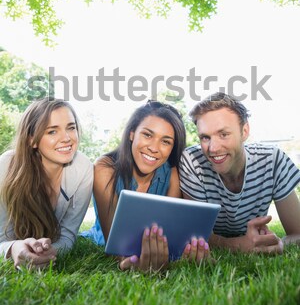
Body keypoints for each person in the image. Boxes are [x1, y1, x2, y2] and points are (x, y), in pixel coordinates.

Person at [82, 100, 210, 271]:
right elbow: (114, 246)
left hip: (152, 243)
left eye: (165, 142)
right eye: (148, 135)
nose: (154, 148)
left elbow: (170, 236)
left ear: (172, 148)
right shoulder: (105, 168)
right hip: (102, 238)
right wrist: (128, 261)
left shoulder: (172, 174)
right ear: (132, 134)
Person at [179, 92, 300, 254]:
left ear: (244, 131)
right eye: (205, 137)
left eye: (224, 134)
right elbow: (197, 236)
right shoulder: (192, 161)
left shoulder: (272, 160)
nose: (213, 148)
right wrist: (239, 245)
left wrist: (275, 244)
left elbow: (297, 233)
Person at [0, 98, 93, 269]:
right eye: (52, 131)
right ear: (32, 140)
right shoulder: (6, 166)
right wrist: (13, 248)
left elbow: (67, 237)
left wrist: (48, 253)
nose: (67, 138)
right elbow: (1, 239)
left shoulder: (83, 168)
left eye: (71, 128)